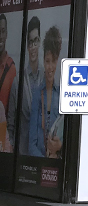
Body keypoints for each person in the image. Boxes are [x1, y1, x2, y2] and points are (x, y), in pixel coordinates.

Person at [28, 26, 62, 159]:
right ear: (43, 60)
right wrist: (45, 163)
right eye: (47, 61)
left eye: (53, 61)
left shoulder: (61, 96)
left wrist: (59, 148)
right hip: (40, 165)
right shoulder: (37, 95)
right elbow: (31, 145)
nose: (50, 67)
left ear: (58, 61)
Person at [9, 16, 41, 153]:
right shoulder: (18, 81)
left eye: (36, 41)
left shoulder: (46, 79)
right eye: (30, 42)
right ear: (27, 46)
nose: (33, 46)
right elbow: (11, 123)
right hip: (21, 154)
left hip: (40, 153)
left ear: (40, 42)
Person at [0, 14, 16, 152]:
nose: (0, 36)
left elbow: (13, 114)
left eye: (3, 31)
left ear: (6, 34)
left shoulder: (12, 69)